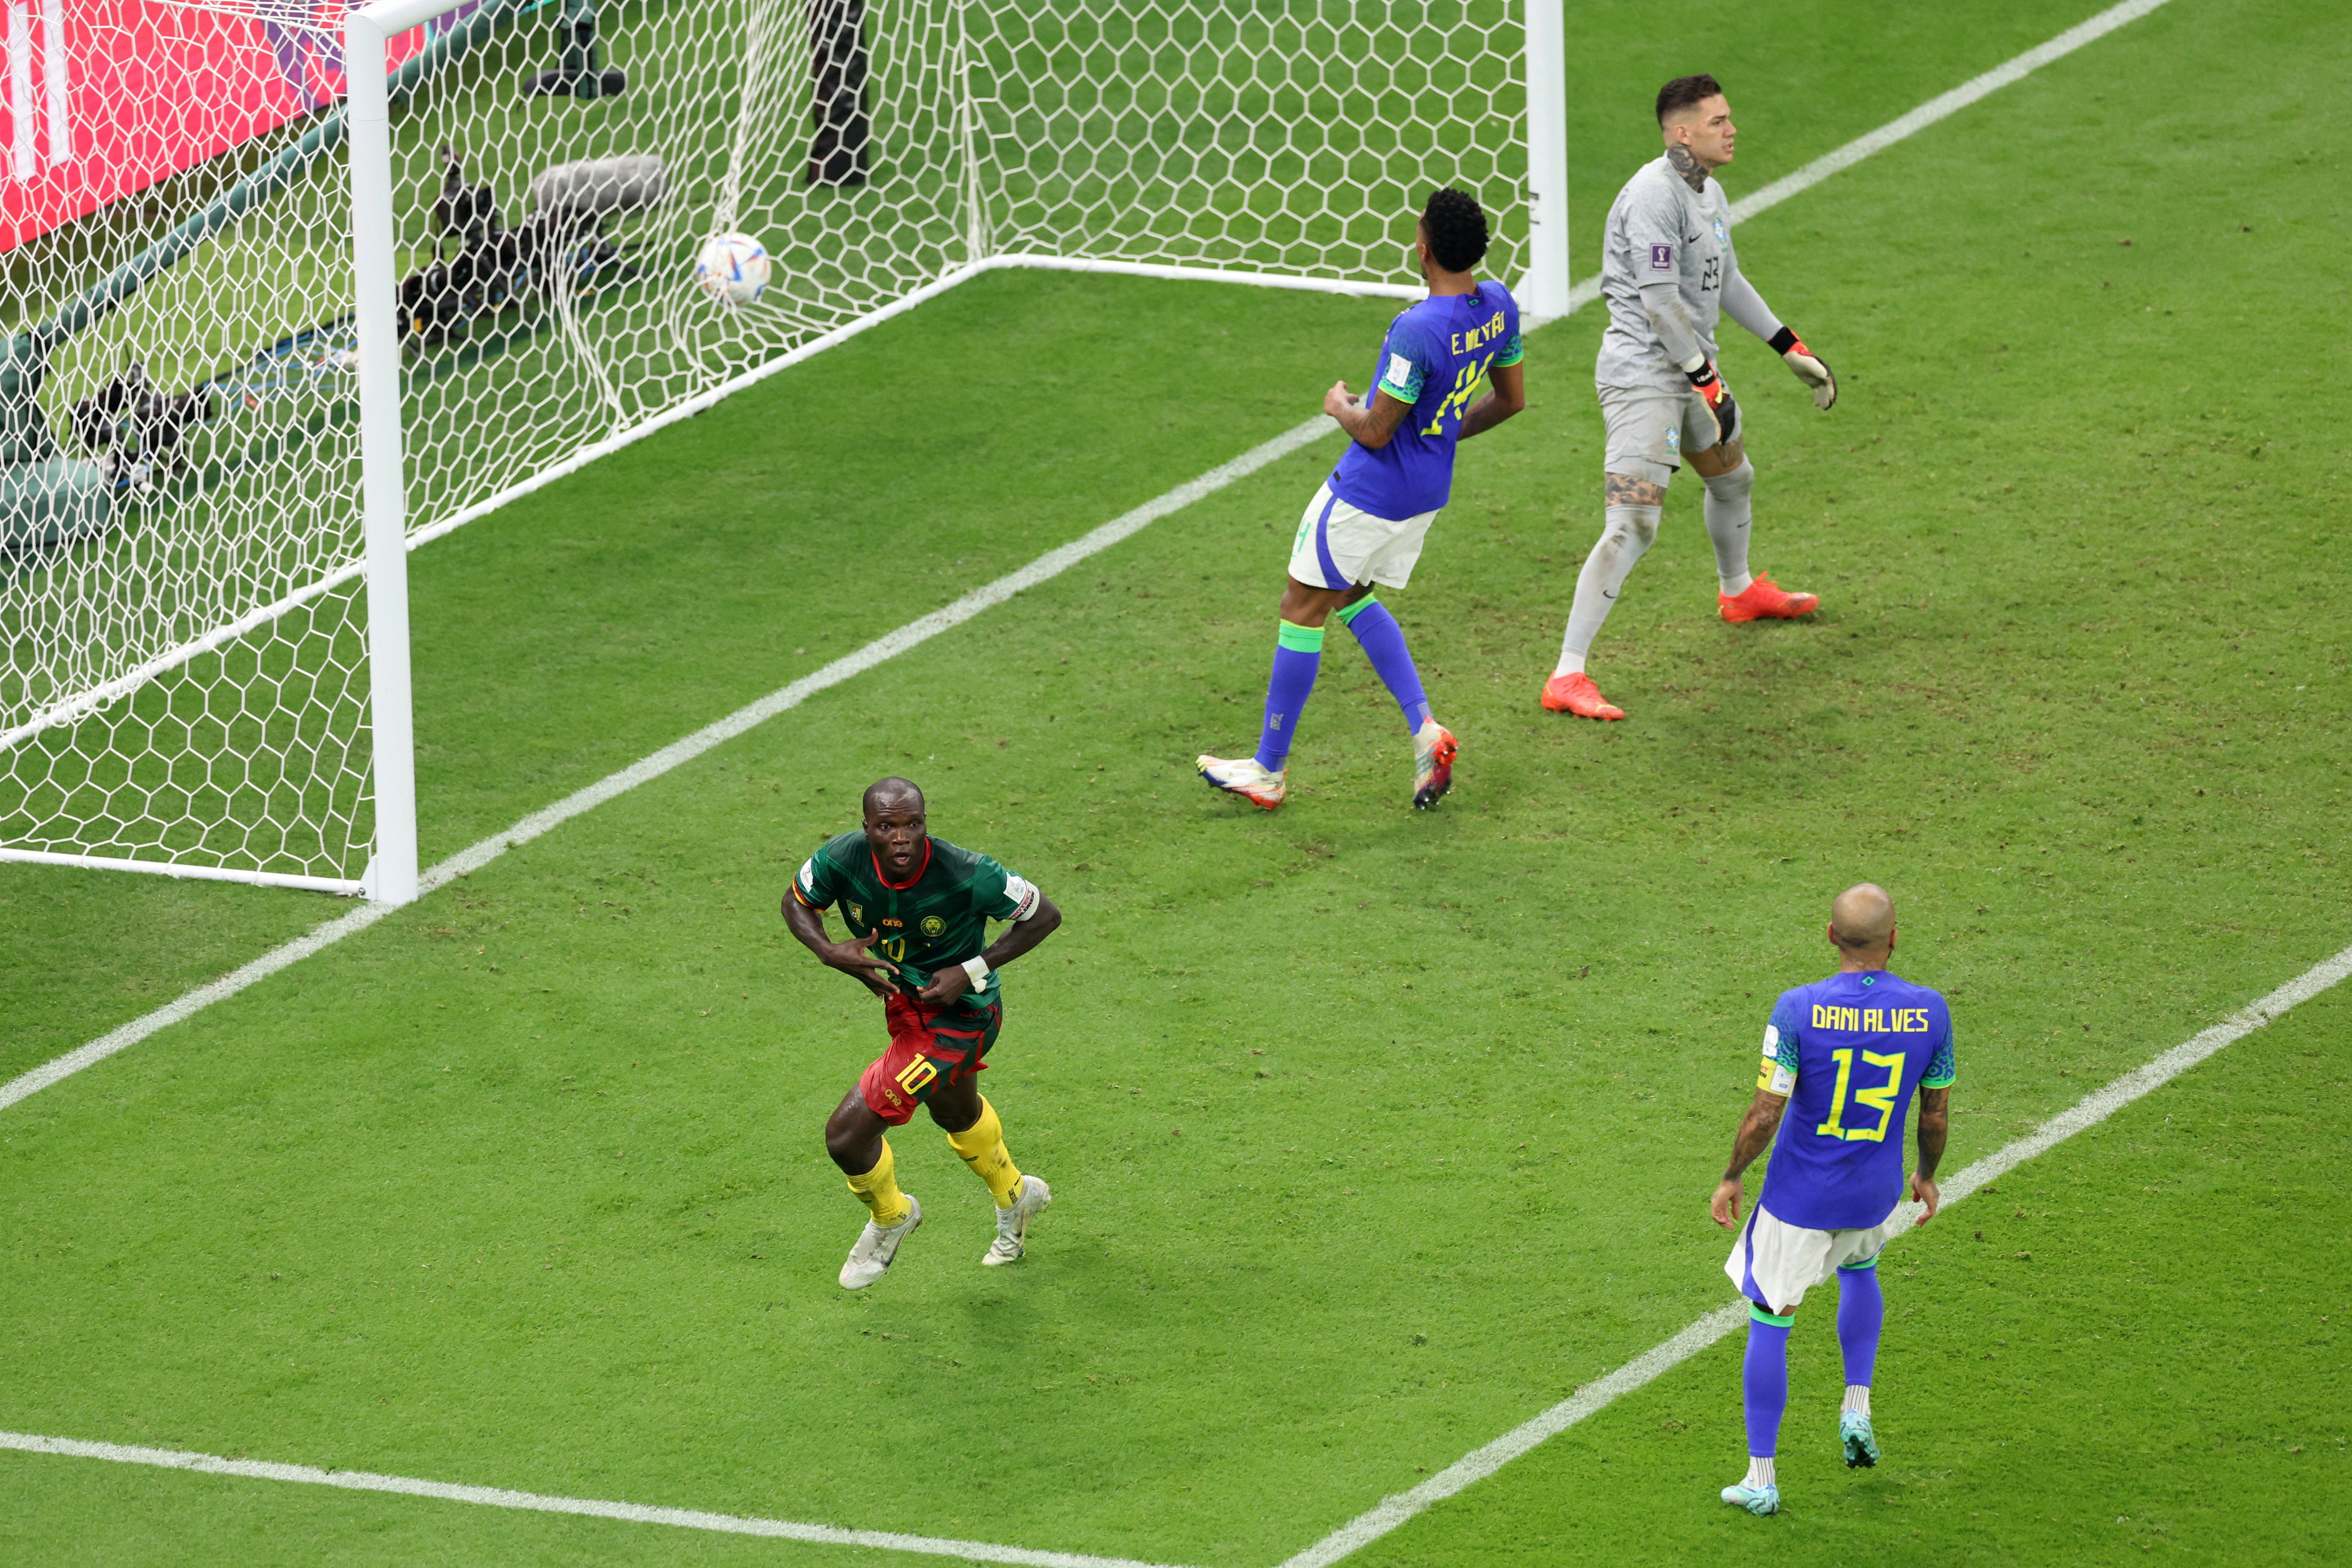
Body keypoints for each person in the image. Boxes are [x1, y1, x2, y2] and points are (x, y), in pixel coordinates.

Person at [1197, 186, 1526, 811]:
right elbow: (1510, 401)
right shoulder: (1500, 306)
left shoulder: (1416, 330)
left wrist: (1339, 408)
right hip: (1426, 494)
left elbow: (1376, 430)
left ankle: (1267, 770)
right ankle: (1426, 732)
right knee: (1350, 593)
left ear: (1424, 249)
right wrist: (1440, 435)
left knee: (1301, 606)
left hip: (1368, 494)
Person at [1541, 75, 1839, 722]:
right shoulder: (1653, 195)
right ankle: (1567, 673)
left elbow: (1724, 279)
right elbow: (1659, 303)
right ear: (1682, 133)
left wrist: (1789, 347)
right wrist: (1707, 379)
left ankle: (1738, 593)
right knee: (1634, 522)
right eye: (1717, 122)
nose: (1732, 130)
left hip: (1691, 370)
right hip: (1643, 379)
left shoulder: (1707, 190)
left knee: (1733, 480)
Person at [1709, 883, 1953, 1516]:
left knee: (1771, 1318)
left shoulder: (1797, 1009)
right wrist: (1925, 1175)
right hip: (1873, 1193)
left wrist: (1732, 1173)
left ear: (1829, 936)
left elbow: (1767, 1113)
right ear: (1893, 939)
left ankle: (1761, 1478)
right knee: (1861, 1269)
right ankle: (1857, 1403)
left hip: (1801, 1199)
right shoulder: (1929, 1012)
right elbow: (1933, 1116)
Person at [782, 777, 1061, 1289]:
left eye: (912, 824)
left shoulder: (968, 873)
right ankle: (1016, 1196)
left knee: (846, 1137)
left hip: (961, 1021)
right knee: (954, 1111)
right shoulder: (842, 857)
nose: (901, 837)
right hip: (908, 1008)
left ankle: (892, 1217)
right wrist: (826, 950)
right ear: (867, 828)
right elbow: (796, 902)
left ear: (924, 824)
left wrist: (970, 968)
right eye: (887, 826)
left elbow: (1044, 915)